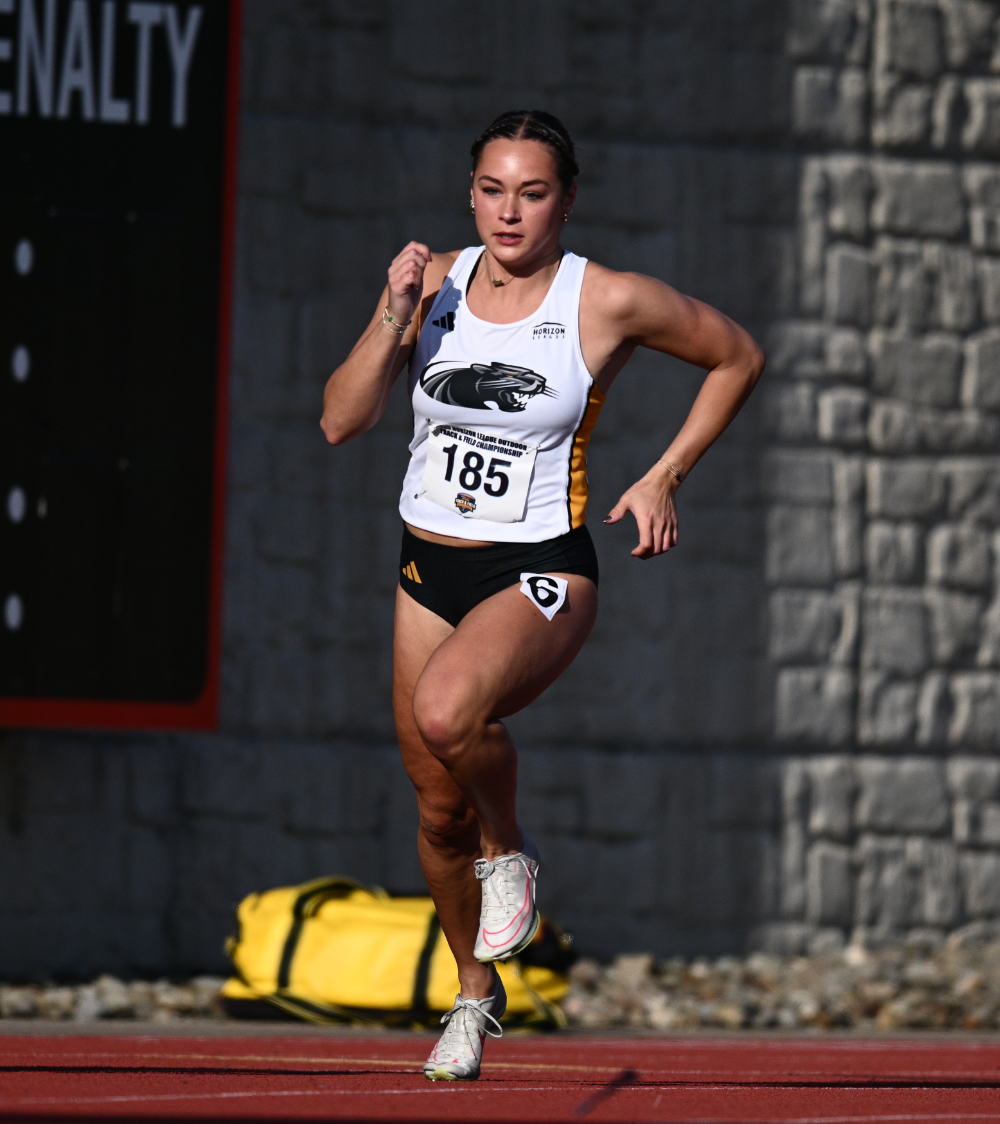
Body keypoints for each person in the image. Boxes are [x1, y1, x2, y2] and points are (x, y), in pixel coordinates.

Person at [320, 110, 764, 1081]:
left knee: (449, 711)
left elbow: (736, 354)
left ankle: (510, 850)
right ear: (467, 190)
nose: (507, 212)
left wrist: (664, 475)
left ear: (565, 199)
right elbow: (340, 420)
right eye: (490, 189)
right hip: (425, 566)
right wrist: (394, 312)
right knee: (436, 812)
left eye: (530, 193)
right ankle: (473, 996)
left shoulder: (603, 298)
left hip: (540, 567)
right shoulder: (429, 281)